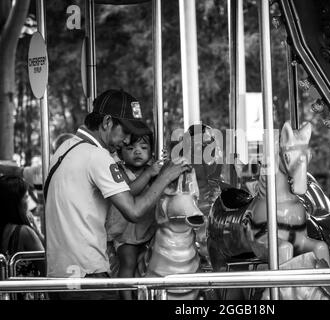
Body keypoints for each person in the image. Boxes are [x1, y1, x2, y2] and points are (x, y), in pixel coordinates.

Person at [45, 89, 190, 300]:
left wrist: (150, 173)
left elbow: (123, 193)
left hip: (59, 275)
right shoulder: (97, 156)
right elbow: (134, 211)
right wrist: (165, 177)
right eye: (125, 131)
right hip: (86, 275)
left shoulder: (66, 148)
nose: (126, 140)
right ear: (106, 122)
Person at [106, 133, 164, 300]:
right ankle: (126, 297)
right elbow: (129, 191)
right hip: (125, 234)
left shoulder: (153, 170)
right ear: (120, 152)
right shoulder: (119, 171)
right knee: (128, 261)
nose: (138, 152)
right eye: (131, 148)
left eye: (144, 148)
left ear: (152, 152)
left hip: (149, 230)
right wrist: (149, 174)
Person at [0, 175, 45, 299]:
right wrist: (36, 230)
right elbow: (47, 265)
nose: (28, 203)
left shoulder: (5, 230)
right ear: (16, 203)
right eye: (26, 197)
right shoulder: (24, 232)